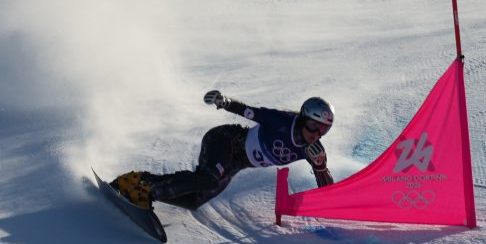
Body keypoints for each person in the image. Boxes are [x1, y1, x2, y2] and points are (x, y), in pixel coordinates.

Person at [111, 91, 336, 210]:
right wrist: (224, 101)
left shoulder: (313, 149)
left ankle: (139, 180)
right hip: (225, 140)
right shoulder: (282, 121)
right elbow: (250, 112)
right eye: (315, 125)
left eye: (324, 130)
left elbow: (329, 193)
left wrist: (320, 166)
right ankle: (147, 191)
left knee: (193, 201)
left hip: (234, 164)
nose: (317, 134)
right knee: (208, 179)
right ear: (304, 117)